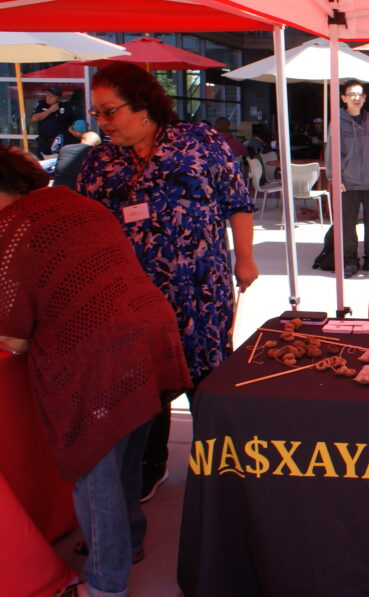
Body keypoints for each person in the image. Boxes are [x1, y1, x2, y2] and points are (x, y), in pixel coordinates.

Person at [0, 147, 191, 597]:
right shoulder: (76, 202)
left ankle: (106, 584)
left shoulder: (12, 227)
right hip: (149, 333)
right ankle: (131, 543)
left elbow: (15, 334)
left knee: (93, 470)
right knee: (125, 459)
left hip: (101, 353)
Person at [77, 61, 257, 502]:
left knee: (206, 375)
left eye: (110, 111)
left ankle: (218, 470)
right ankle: (150, 465)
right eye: (97, 114)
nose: (103, 122)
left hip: (200, 287)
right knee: (144, 380)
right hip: (133, 294)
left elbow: (237, 201)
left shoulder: (198, 142)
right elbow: (85, 224)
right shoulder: (100, 160)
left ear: (143, 107)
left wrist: (246, 259)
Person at [335, 79, 369, 277]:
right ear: (344, 98)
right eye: (352, 94)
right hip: (348, 182)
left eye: (359, 94)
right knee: (348, 224)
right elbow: (333, 153)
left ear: (364, 98)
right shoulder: (337, 120)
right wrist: (336, 178)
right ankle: (349, 260)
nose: (356, 98)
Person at [30, 86, 72, 158]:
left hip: (58, 142)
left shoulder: (64, 107)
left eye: (51, 96)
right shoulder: (41, 104)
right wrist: (50, 110)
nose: (48, 98)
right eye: (47, 95)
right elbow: (34, 118)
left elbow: (70, 123)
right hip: (43, 142)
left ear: (58, 98)